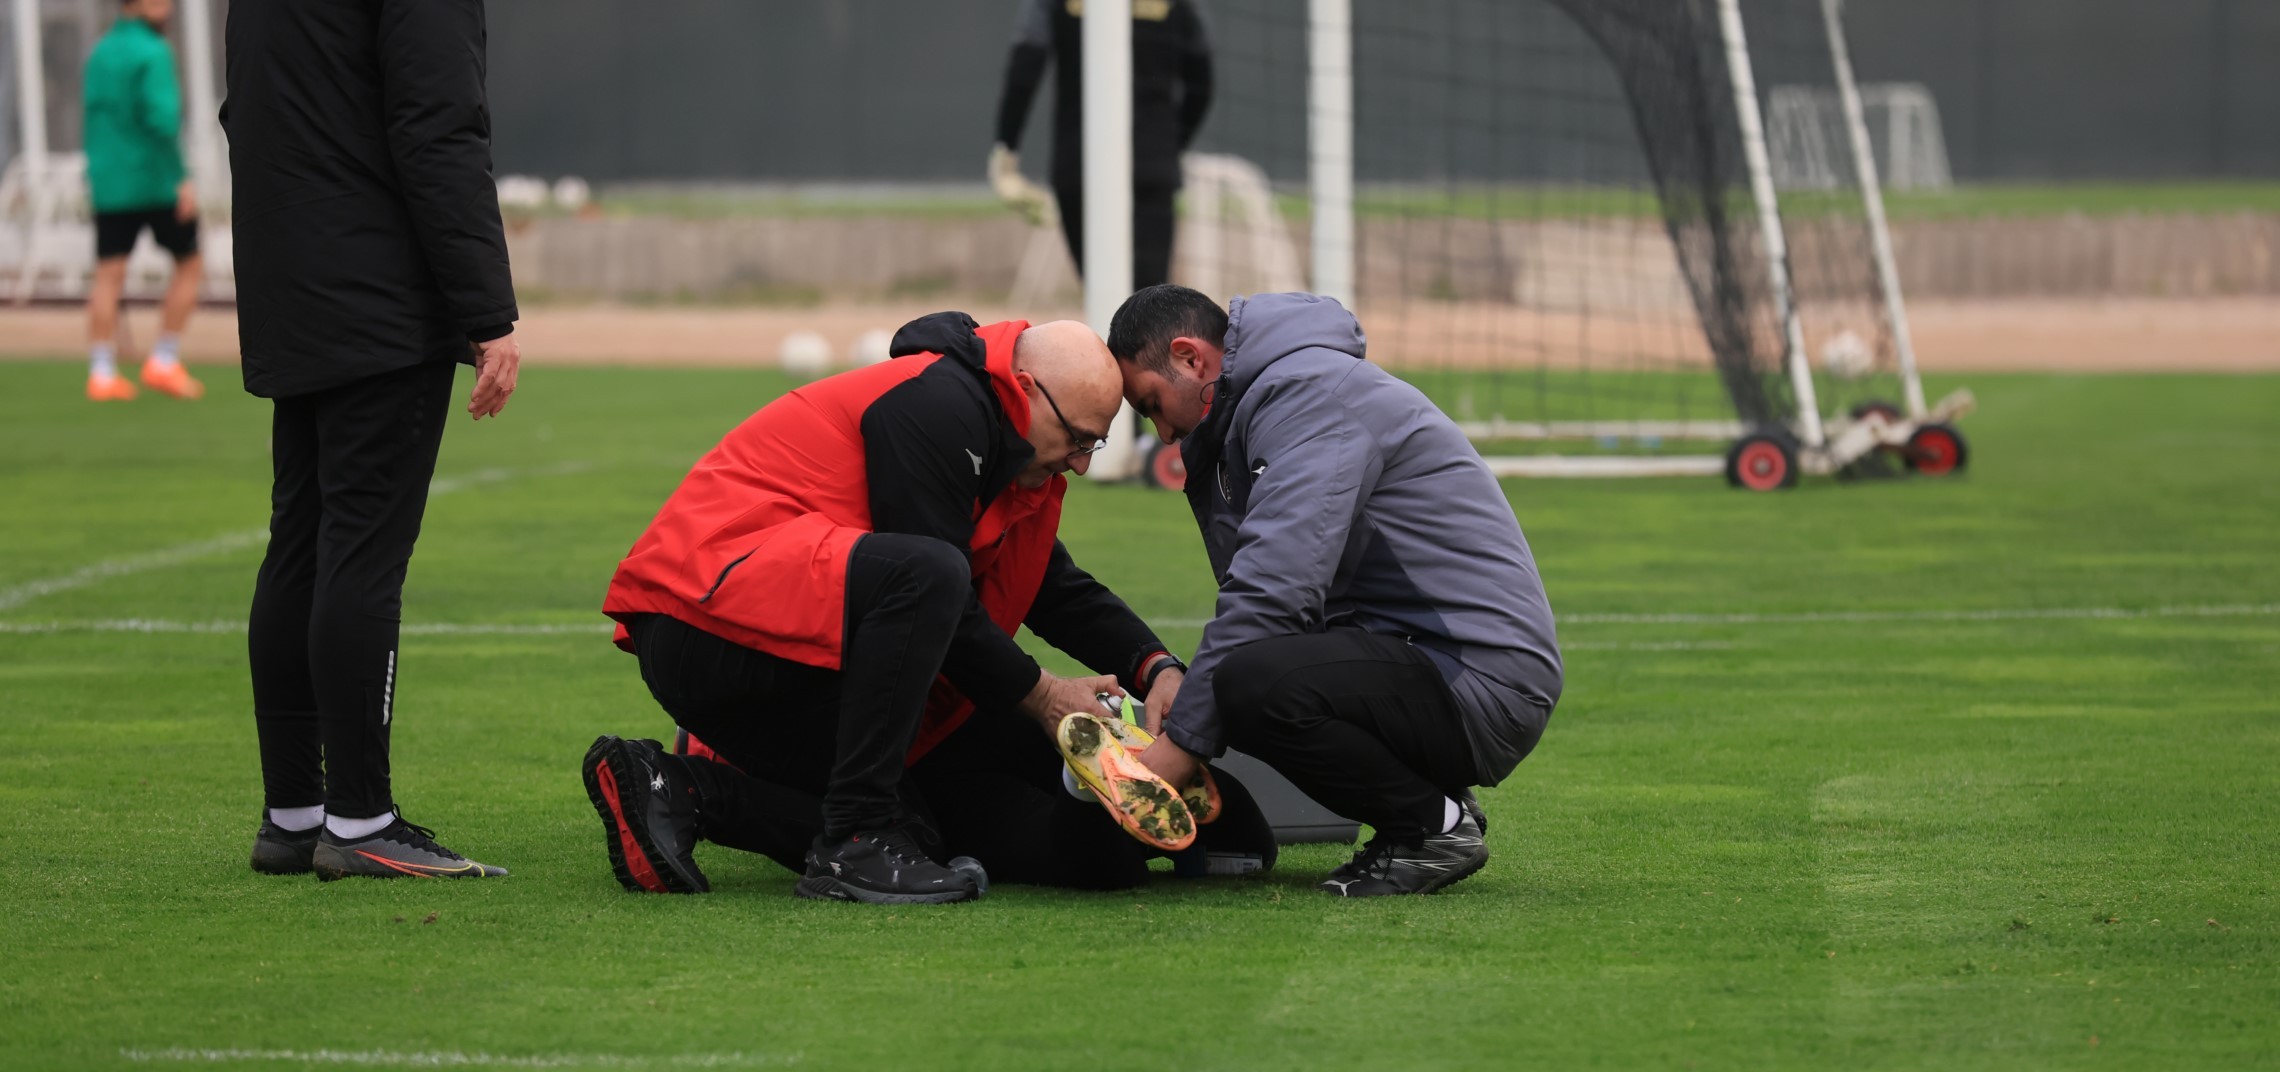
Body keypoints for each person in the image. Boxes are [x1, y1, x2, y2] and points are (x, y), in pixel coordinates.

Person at [585, 314, 1271, 904]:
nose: (1086, 464)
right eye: (1081, 438)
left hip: (782, 648)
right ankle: (853, 841)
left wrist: (1158, 669)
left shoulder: (1017, 449)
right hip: (708, 627)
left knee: (929, 839)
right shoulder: (938, 404)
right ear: (1025, 391)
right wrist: (1045, 697)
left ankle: (681, 786)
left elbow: (1052, 586)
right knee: (929, 578)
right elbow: (931, 592)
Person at [1106, 284, 1564, 897]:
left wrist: (1180, 747)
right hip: (1437, 664)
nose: (1162, 433)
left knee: (1246, 681)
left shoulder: (1309, 395)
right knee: (1236, 679)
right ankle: (1440, 804)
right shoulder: (1270, 402)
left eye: (1153, 404)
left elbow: (1274, 594)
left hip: (1479, 683)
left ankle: (1430, 829)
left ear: (1191, 358)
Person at [227, 0, 522, 880]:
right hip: (379, 291)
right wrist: (486, 310)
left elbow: (246, 109)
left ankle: (296, 814)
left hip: (294, 278)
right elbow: (440, 128)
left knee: (302, 543)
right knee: (360, 552)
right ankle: (359, 820)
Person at [990, 0, 1213, 290]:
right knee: (1149, 304)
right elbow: (1202, 82)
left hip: (1078, 164)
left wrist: (1007, 149)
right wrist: (1168, 145)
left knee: (1104, 296)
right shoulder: (1182, 7)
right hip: (1151, 166)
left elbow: (1025, 66)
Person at [80, 0, 204, 403]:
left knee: (107, 276)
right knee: (190, 263)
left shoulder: (100, 51)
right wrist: (180, 179)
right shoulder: (153, 51)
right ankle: (164, 360)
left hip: (109, 181)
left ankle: (101, 372)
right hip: (153, 179)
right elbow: (163, 121)